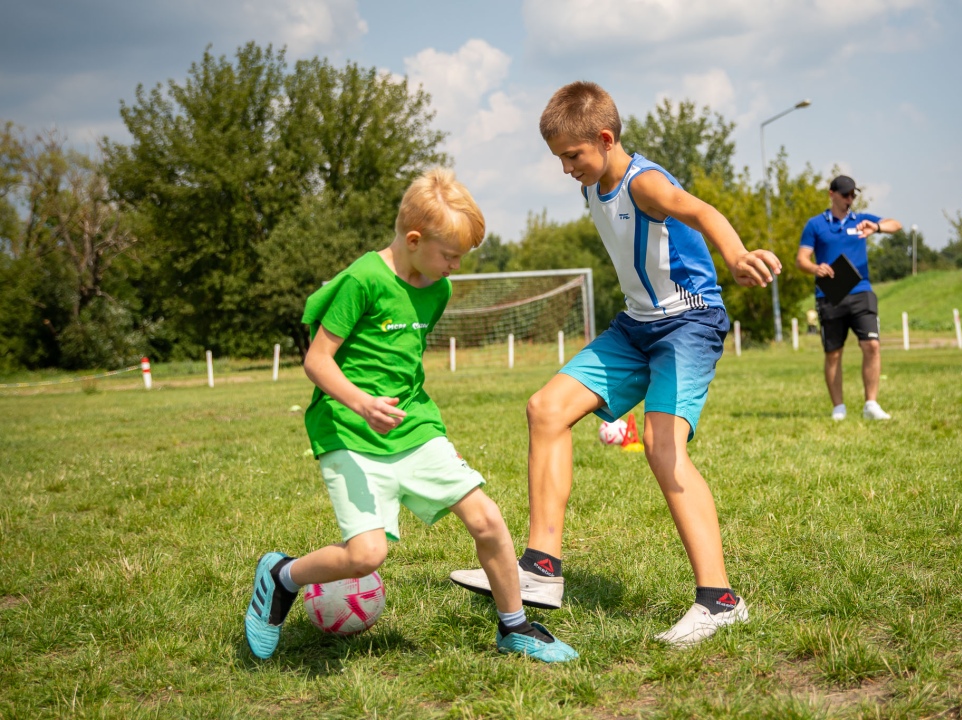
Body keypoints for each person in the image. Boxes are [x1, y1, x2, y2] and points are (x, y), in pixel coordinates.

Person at [450, 81, 781, 647]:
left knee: (661, 446)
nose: (566, 169)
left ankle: (721, 602)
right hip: (636, 326)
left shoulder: (644, 182)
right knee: (546, 409)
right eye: (559, 158)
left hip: (688, 322)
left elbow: (700, 210)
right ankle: (540, 568)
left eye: (573, 156)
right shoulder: (594, 182)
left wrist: (736, 255)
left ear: (605, 139)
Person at [244, 168, 577, 663]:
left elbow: (406, 365)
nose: (456, 267)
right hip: (348, 429)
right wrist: (362, 403)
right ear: (414, 240)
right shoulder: (363, 279)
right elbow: (317, 360)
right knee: (366, 555)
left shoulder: (437, 289)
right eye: (450, 255)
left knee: (487, 519)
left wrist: (419, 423)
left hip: (413, 425)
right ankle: (281, 576)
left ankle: (515, 627)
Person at [796, 175, 901, 421]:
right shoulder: (815, 225)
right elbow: (801, 260)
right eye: (845, 195)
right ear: (831, 194)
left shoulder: (861, 220)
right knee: (833, 353)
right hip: (830, 295)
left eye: (853, 195)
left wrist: (876, 228)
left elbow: (896, 224)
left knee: (872, 345)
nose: (850, 199)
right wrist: (815, 268)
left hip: (861, 291)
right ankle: (839, 408)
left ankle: (871, 404)